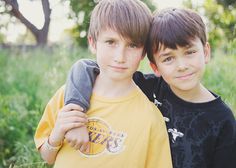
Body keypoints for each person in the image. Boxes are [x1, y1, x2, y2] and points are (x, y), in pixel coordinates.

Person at [64, 8, 236, 168]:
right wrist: (76, 112)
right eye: (168, 58)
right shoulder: (148, 87)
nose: (182, 66)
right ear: (155, 67)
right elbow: (86, 67)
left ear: (206, 52)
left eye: (190, 52)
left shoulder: (222, 120)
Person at [34, 0, 173, 167]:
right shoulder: (66, 96)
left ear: (143, 52)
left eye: (132, 45)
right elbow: (47, 157)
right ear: (93, 43)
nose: (120, 57)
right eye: (111, 42)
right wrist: (57, 134)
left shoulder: (151, 118)